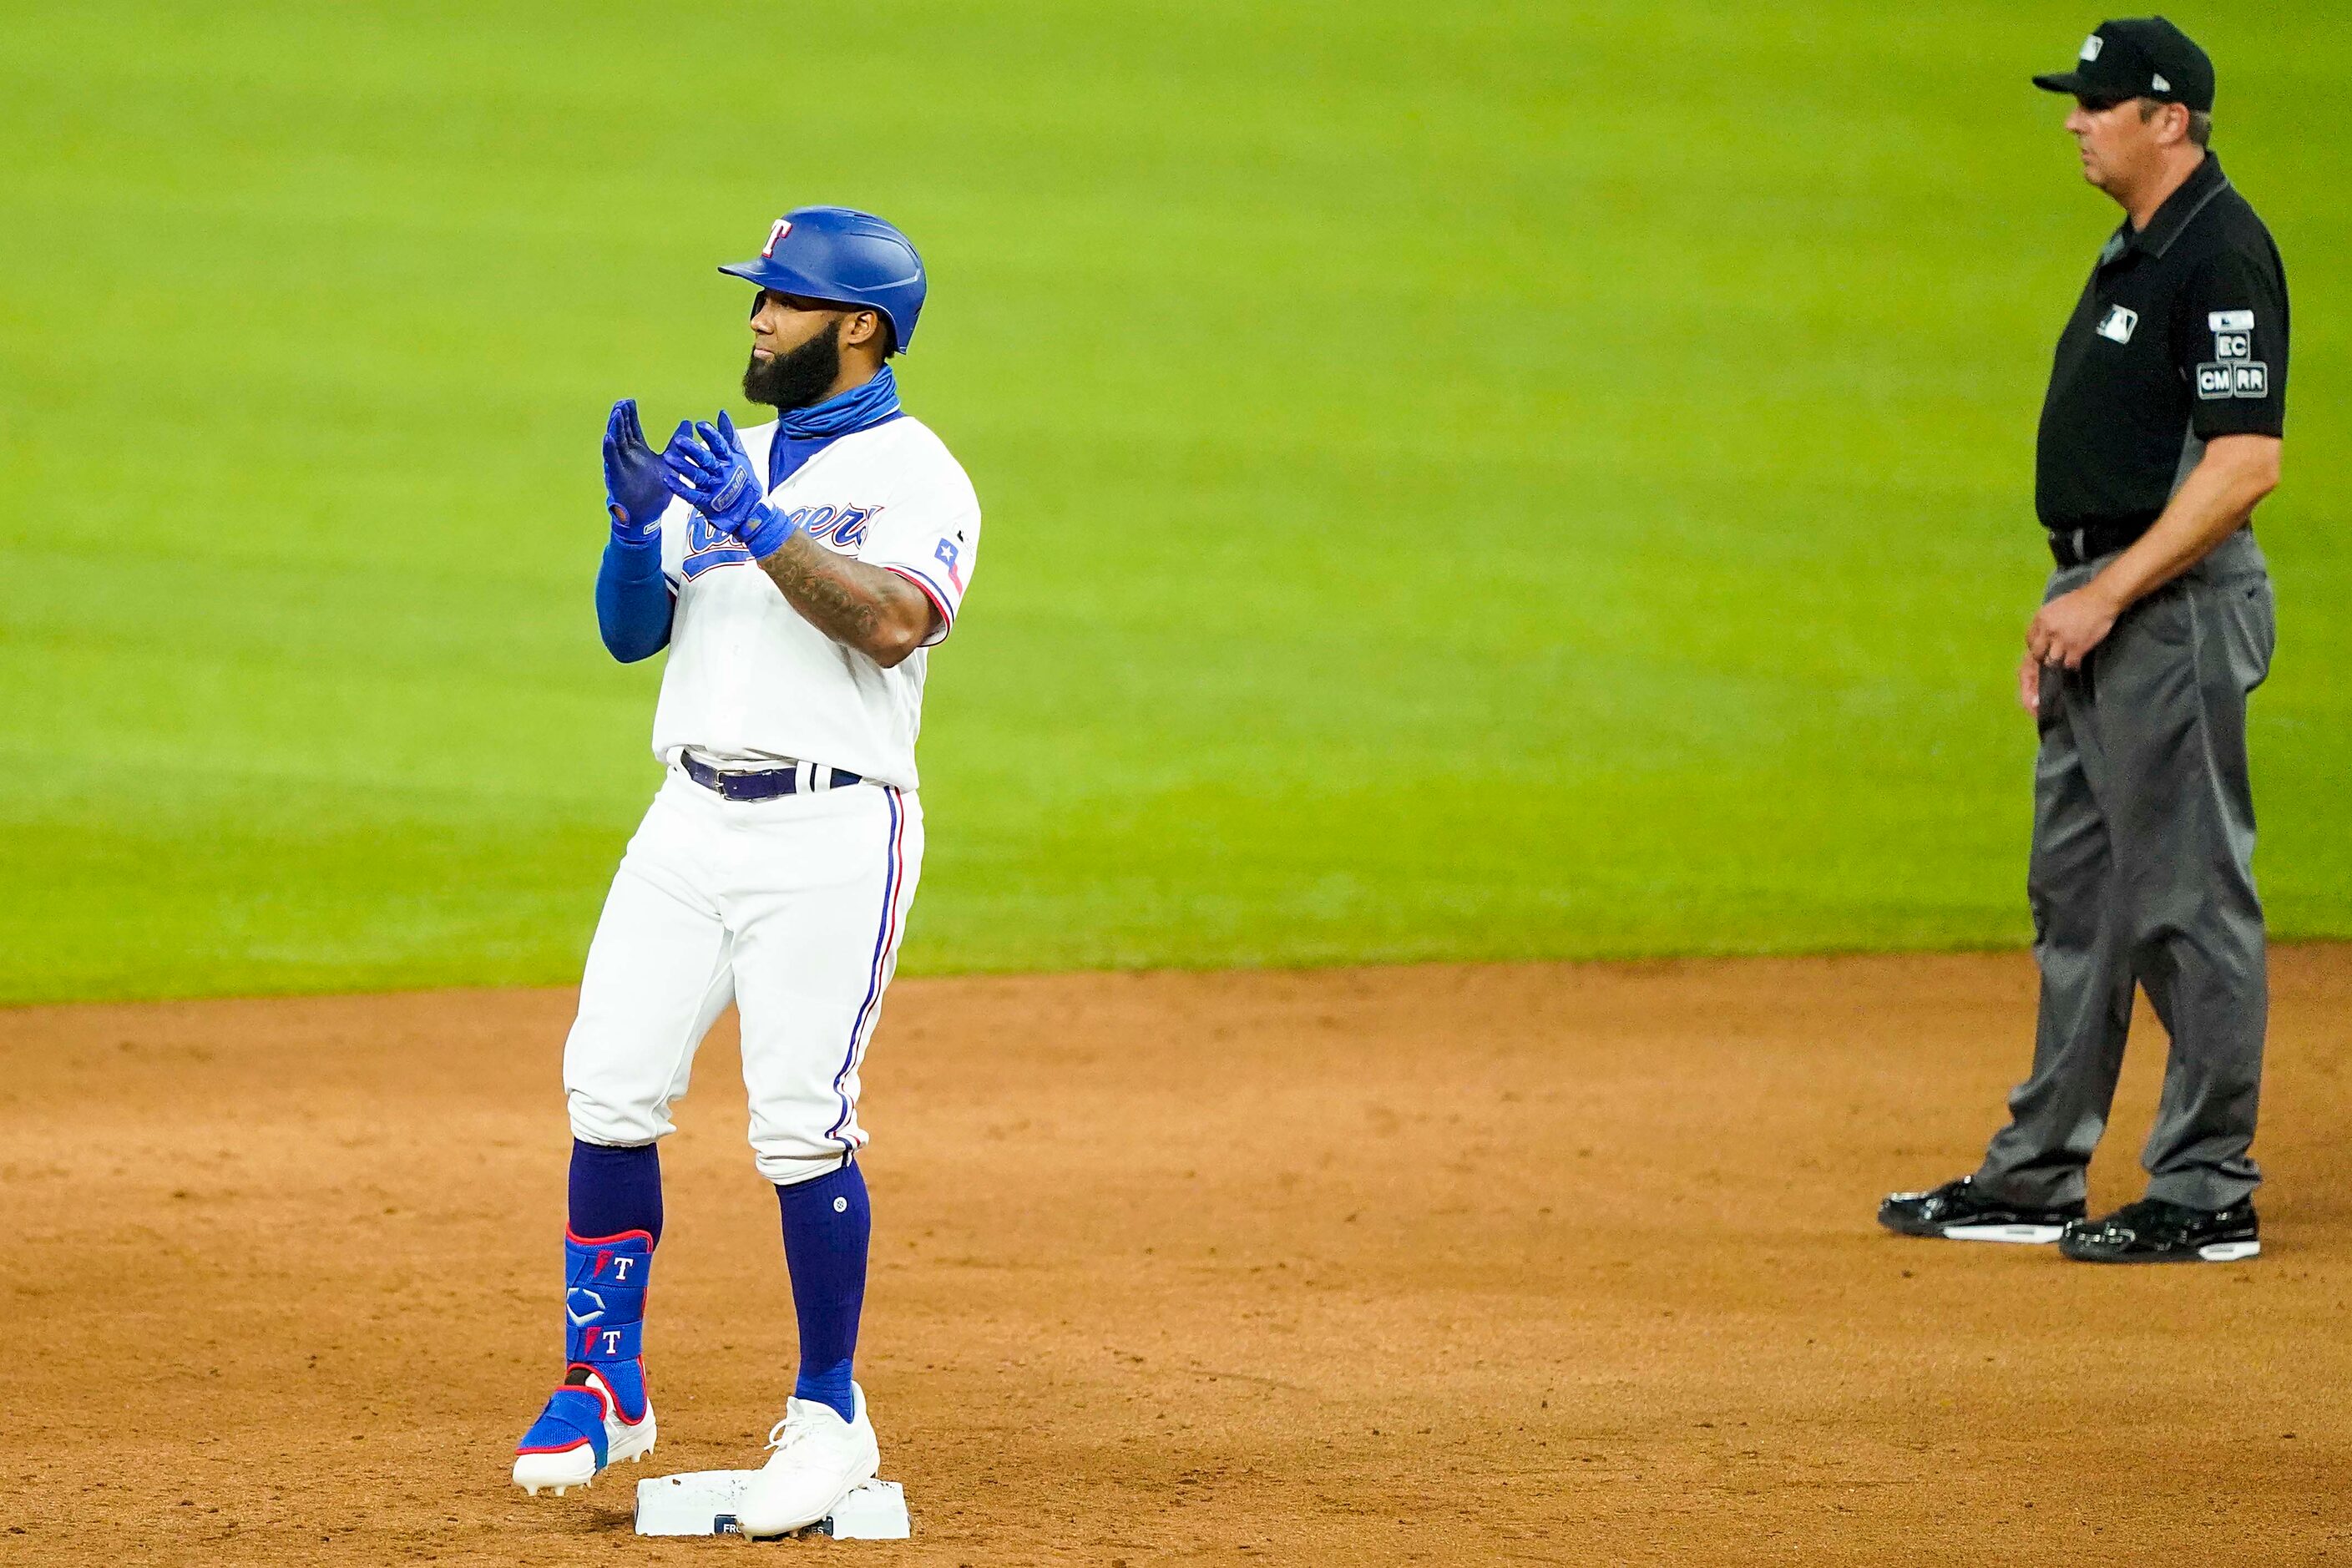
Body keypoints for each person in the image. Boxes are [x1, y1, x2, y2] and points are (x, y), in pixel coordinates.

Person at [510, 206, 980, 1534]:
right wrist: (626, 522)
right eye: (756, 298)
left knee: (797, 1122)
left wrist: (760, 526)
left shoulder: (918, 473)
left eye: (780, 301)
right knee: (606, 1085)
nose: (756, 320)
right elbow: (629, 634)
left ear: (859, 327)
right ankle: (605, 1380)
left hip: (830, 830)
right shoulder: (741, 454)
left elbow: (890, 624)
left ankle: (829, 1412)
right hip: (686, 817)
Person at [1881, 17, 2287, 1263]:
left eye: (2097, 102)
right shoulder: (2138, 248)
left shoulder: (2218, 252)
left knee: (2185, 897)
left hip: (2166, 607)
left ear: (2168, 119)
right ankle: (2038, 1169)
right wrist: (2070, 599)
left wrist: (2107, 594)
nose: (2073, 118)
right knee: (2079, 897)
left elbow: (2243, 464)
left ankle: (2206, 1185)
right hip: (2096, 608)